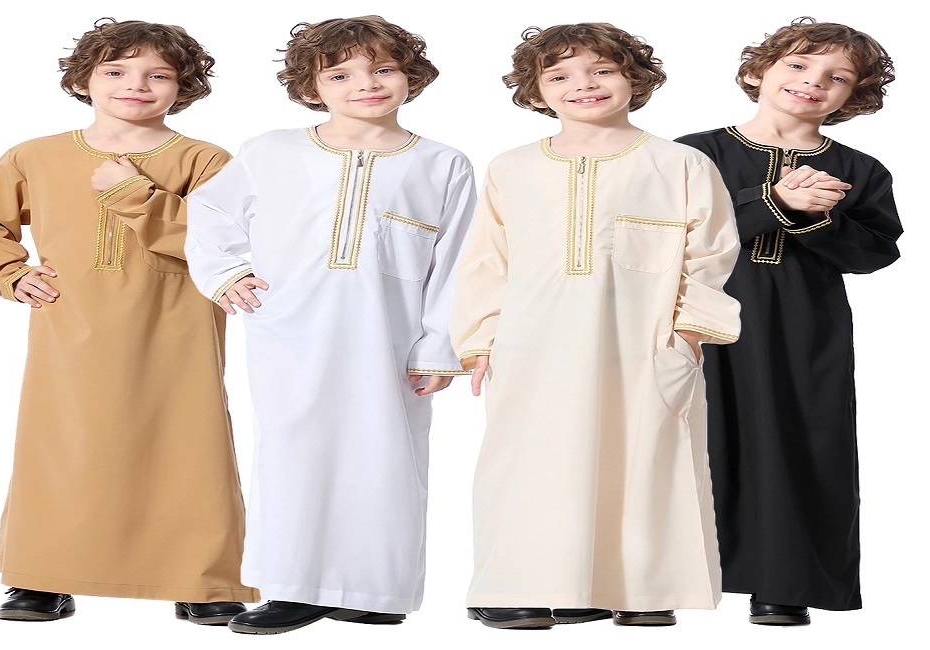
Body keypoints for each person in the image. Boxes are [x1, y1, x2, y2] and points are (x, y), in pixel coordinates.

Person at [0, 18, 258, 624]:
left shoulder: (205, 159)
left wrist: (132, 193)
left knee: (186, 446)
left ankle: (202, 580)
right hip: (71, 329)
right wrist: (10, 272)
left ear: (183, 86)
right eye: (116, 71)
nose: (135, 85)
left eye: (157, 75)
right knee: (62, 445)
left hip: (175, 329)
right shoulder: (35, 156)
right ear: (83, 80)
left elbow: (223, 240)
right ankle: (41, 577)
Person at [184, 15, 476, 635]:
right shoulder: (271, 151)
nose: (365, 84)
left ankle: (376, 590)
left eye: (382, 69)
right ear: (311, 85)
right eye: (340, 75)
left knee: (386, 456)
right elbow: (210, 214)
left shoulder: (442, 164)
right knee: (293, 453)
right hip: (289, 331)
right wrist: (228, 273)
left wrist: (438, 346)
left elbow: (456, 263)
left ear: (411, 75)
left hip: (390, 340)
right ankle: (292, 588)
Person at [450, 22, 741, 630]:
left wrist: (687, 335)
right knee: (528, 460)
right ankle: (521, 584)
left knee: (645, 458)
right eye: (559, 75)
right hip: (532, 343)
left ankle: (641, 589)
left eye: (601, 70)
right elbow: (486, 262)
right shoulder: (512, 167)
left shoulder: (680, 163)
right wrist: (480, 340)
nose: (582, 85)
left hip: (644, 343)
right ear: (535, 90)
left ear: (635, 77)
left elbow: (710, 254)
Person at [676, 17, 901, 626]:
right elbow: (666, 230)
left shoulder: (859, 169)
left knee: (803, 440)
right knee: (688, 438)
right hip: (697, 312)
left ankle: (784, 580)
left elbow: (877, 252)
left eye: (836, 77)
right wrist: (773, 202)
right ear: (758, 71)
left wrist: (819, 215)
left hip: (804, 322)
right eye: (798, 65)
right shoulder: (694, 153)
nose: (812, 82)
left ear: (854, 96)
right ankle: (666, 575)